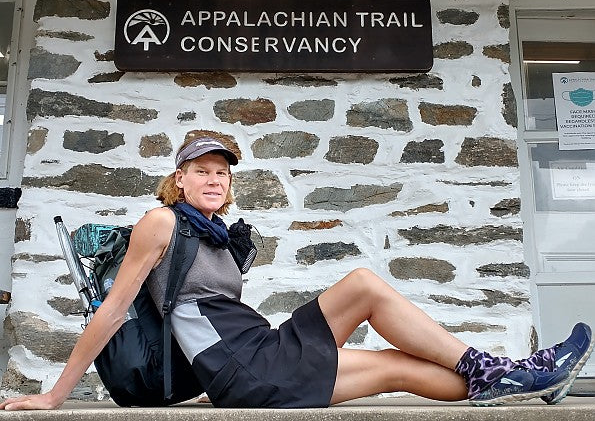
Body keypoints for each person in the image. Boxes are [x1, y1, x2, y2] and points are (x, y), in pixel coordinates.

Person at [1, 135, 593, 410]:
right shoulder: (159, 223)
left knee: (397, 366)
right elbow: (111, 310)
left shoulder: (220, 237)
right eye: (201, 170)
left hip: (257, 348)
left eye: (223, 174)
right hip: (242, 369)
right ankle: (512, 372)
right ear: (178, 179)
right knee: (363, 289)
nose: (214, 180)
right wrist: (54, 395)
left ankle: (520, 379)